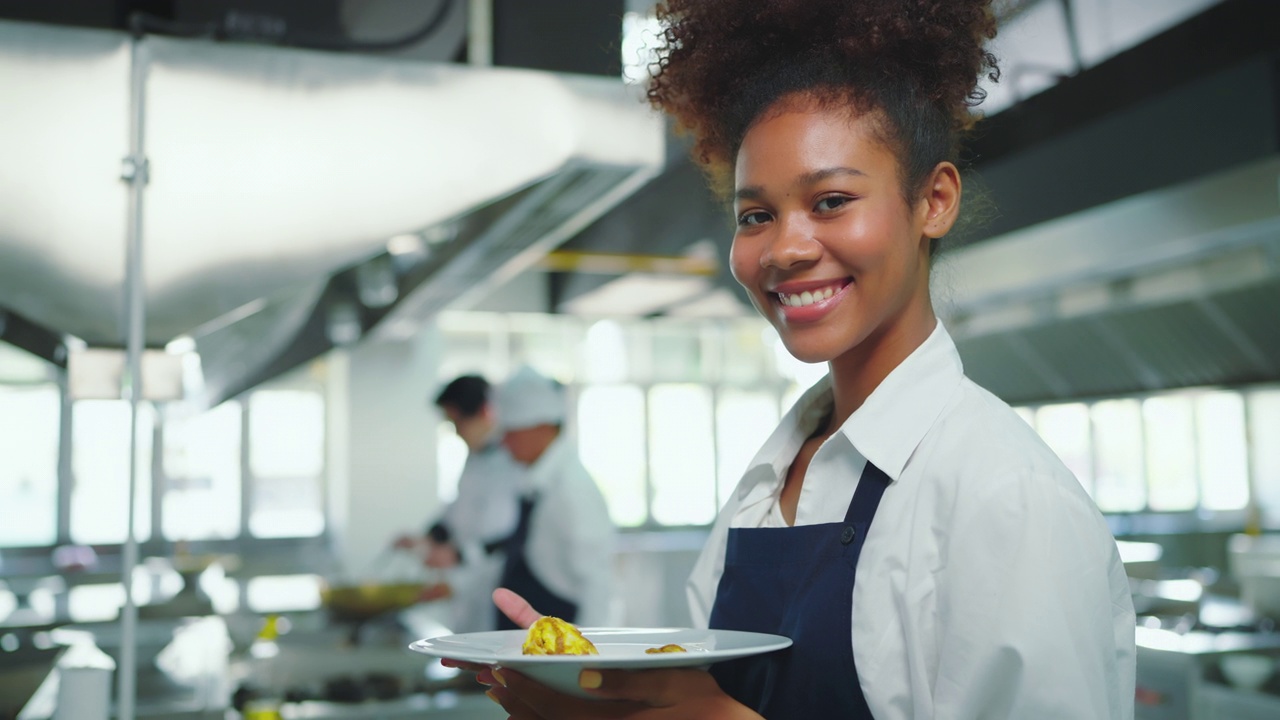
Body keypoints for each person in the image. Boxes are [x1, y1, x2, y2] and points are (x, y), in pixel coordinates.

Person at [461, 0, 1137, 718]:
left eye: (832, 200)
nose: (784, 248)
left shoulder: (1007, 499)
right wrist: (607, 699)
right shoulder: (770, 479)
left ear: (932, 200)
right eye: (756, 215)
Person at [488, 365, 615, 630]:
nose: (504, 442)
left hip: (562, 638)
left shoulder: (572, 488)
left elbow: (598, 583)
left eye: (511, 432)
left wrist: (588, 654)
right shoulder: (535, 480)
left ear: (541, 427)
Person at [395, 374, 523, 633]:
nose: (456, 432)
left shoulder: (514, 463)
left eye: (457, 423)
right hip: (469, 594)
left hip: (502, 593)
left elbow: (509, 537)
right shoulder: (475, 458)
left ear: (484, 412)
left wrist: (457, 556)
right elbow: (458, 510)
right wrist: (428, 538)